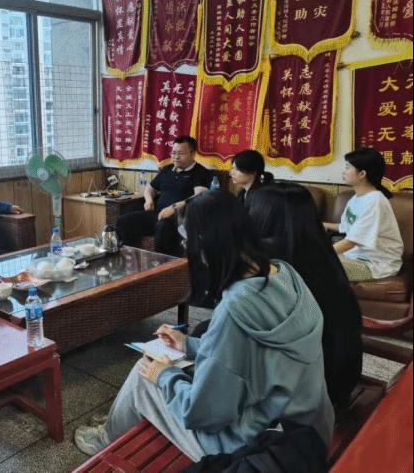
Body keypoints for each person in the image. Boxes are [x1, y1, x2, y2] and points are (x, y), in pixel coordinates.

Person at [75, 191, 334, 463]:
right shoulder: (286, 276)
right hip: (308, 425)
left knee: (145, 373)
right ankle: (119, 418)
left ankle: (107, 438)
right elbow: (254, 358)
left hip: (258, 445)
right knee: (175, 368)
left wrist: (164, 376)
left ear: (206, 247)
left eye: (187, 242)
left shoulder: (235, 308)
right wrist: (188, 344)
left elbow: (203, 413)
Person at [247, 183, 362, 408]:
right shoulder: (321, 247)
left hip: (304, 391)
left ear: (260, 215)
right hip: (341, 378)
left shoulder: (266, 258)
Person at [115, 136, 212, 256]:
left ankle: (163, 264)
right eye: (174, 153)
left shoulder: (201, 172)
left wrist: (174, 208)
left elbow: (199, 197)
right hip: (158, 213)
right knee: (123, 221)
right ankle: (129, 257)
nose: (176, 157)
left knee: (163, 226)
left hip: (180, 218)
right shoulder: (167, 170)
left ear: (193, 154)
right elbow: (150, 188)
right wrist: (149, 200)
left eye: (181, 153)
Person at [326, 148, 403, 281]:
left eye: (348, 168)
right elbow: (346, 227)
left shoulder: (375, 202)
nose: (343, 172)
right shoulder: (357, 198)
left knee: (314, 264)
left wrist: (320, 253)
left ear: (362, 174)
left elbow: (350, 242)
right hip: (354, 256)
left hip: (374, 264)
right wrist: (320, 224)